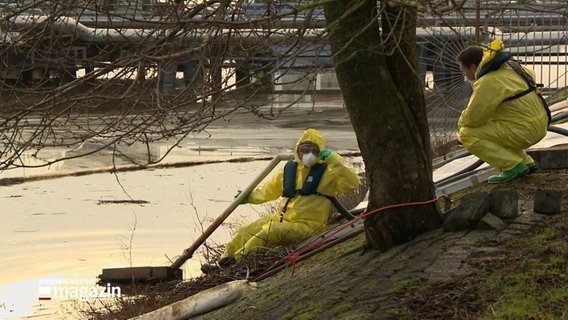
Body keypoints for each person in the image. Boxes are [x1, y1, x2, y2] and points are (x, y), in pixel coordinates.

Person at [201, 128, 360, 273]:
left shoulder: (328, 173)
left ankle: (234, 263)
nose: (309, 154)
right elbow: (269, 191)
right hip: (281, 218)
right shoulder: (289, 170)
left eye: (314, 150)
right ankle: (222, 262)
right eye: (305, 149)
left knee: (271, 231)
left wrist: (334, 159)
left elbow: (352, 183)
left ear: (320, 152)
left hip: (307, 225)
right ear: (298, 150)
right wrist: (249, 197)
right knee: (245, 230)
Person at [455, 39, 549, 184]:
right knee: (495, 123)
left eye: (463, 70)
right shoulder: (514, 68)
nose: (464, 76)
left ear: (473, 67)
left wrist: (460, 122)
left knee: (467, 133)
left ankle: (512, 165)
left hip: (523, 132)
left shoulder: (487, 82)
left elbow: (473, 118)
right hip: (541, 125)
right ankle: (526, 162)